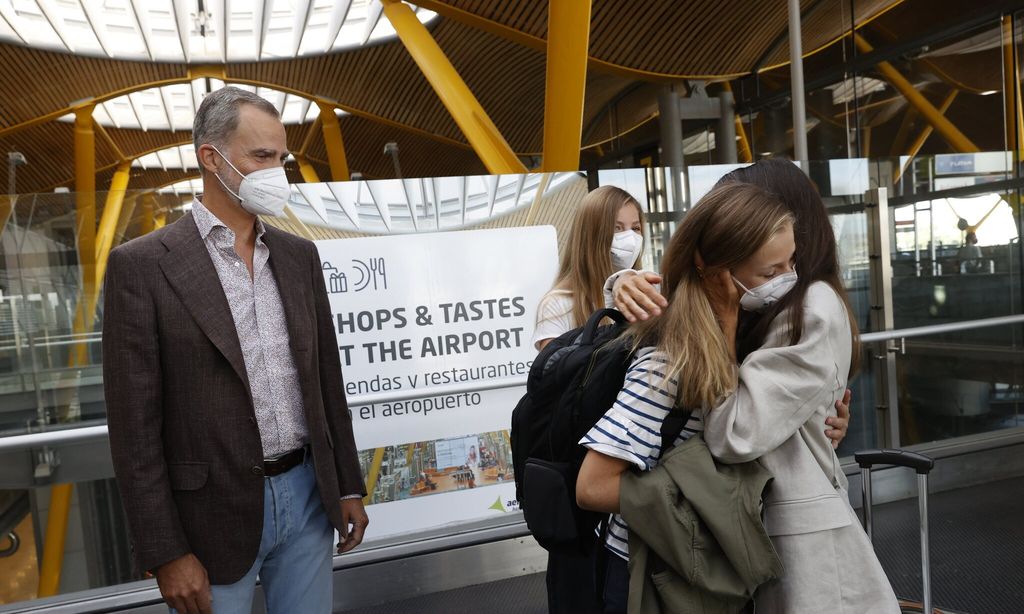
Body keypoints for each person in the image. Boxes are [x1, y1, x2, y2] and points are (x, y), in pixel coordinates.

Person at [103, 87, 367, 614]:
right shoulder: (143, 265)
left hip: (309, 499)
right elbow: (134, 429)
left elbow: (325, 382)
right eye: (261, 157)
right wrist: (166, 550)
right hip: (209, 519)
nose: (277, 173)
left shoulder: (298, 256)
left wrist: (346, 486)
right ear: (211, 158)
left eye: (282, 159)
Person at [607, 159, 898, 612]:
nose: (782, 273)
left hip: (798, 535)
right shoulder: (762, 304)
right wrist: (620, 281)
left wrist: (725, 326)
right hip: (749, 528)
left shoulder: (810, 306)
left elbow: (735, 430)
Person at [575, 182, 789, 612]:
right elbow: (593, 487)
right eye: (770, 273)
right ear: (715, 271)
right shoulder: (669, 362)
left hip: (682, 561)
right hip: (646, 567)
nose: (785, 282)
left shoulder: (733, 331)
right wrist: (700, 492)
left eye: (791, 264)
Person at [532, 185, 646, 352]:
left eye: (636, 228)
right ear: (591, 234)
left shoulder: (646, 295)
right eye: (616, 228)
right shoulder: (558, 305)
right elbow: (554, 373)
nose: (630, 239)